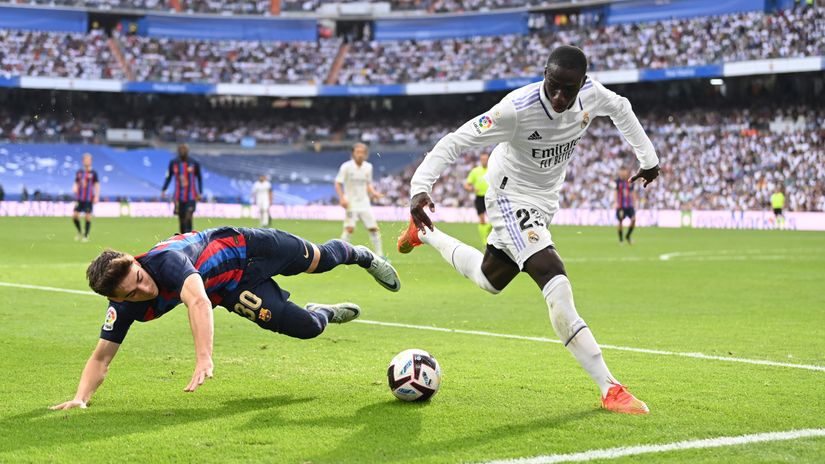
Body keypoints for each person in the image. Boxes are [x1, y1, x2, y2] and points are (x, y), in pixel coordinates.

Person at [397, 45, 660, 414]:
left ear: (583, 83)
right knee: (555, 279)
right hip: (509, 196)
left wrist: (649, 160)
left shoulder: (592, 96)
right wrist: (419, 188)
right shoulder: (515, 109)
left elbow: (622, 109)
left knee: (491, 279)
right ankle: (610, 387)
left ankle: (423, 234)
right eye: (553, 85)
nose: (559, 96)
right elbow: (456, 140)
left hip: (545, 201)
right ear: (545, 75)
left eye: (569, 89)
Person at [50, 226, 401, 410]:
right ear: (115, 298)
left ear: (136, 262)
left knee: (321, 260)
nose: (143, 291)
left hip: (250, 247)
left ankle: (362, 255)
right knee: (307, 328)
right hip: (230, 290)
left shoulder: (168, 262)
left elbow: (198, 302)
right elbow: (101, 357)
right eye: (131, 294)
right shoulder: (123, 307)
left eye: (140, 280)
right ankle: (321, 311)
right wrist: (81, 397)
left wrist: (204, 356)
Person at [335, 143, 384, 256]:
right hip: (351, 203)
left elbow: (368, 184)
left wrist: (374, 193)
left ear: (366, 154)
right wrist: (342, 198)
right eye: (358, 152)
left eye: (362, 152)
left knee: (373, 228)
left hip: (364, 203)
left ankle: (380, 255)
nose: (360, 155)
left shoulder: (368, 167)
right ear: (353, 154)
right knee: (349, 228)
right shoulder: (346, 167)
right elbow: (338, 183)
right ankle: (340, 254)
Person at [161, 144, 202, 234]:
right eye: (181, 150)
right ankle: (183, 239)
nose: (182, 151)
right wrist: (164, 189)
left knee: (188, 217)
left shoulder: (194, 163)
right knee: (182, 219)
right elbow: (169, 177)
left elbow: (199, 177)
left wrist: (200, 192)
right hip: (178, 197)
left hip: (191, 196)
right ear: (178, 151)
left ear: (188, 151)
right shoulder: (173, 163)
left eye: (184, 150)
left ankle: (189, 238)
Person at [464, 152, 492, 247]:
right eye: (482, 159)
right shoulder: (475, 171)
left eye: (486, 159)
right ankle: (484, 240)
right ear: (480, 160)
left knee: (493, 219)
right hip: (479, 197)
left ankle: (489, 231)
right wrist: (472, 188)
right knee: (482, 220)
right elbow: (467, 185)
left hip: (491, 197)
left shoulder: (492, 170)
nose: (484, 161)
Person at [72, 153, 100, 242]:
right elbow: (76, 182)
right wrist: (74, 187)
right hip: (80, 198)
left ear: (91, 161)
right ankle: (79, 231)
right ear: (83, 161)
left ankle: (86, 235)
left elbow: (96, 185)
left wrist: (97, 196)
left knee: (88, 217)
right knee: (75, 216)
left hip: (89, 198)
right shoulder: (79, 172)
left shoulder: (94, 173)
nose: (86, 161)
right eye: (85, 159)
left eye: (88, 159)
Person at [615, 167, 638, 244]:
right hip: (621, 206)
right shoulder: (618, 181)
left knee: (633, 219)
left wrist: (635, 202)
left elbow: (633, 192)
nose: (623, 173)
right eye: (621, 171)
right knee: (620, 221)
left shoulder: (630, 181)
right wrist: (615, 202)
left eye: (624, 171)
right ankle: (621, 239)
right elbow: (615, 192)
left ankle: (628, 236)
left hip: (630, 205)